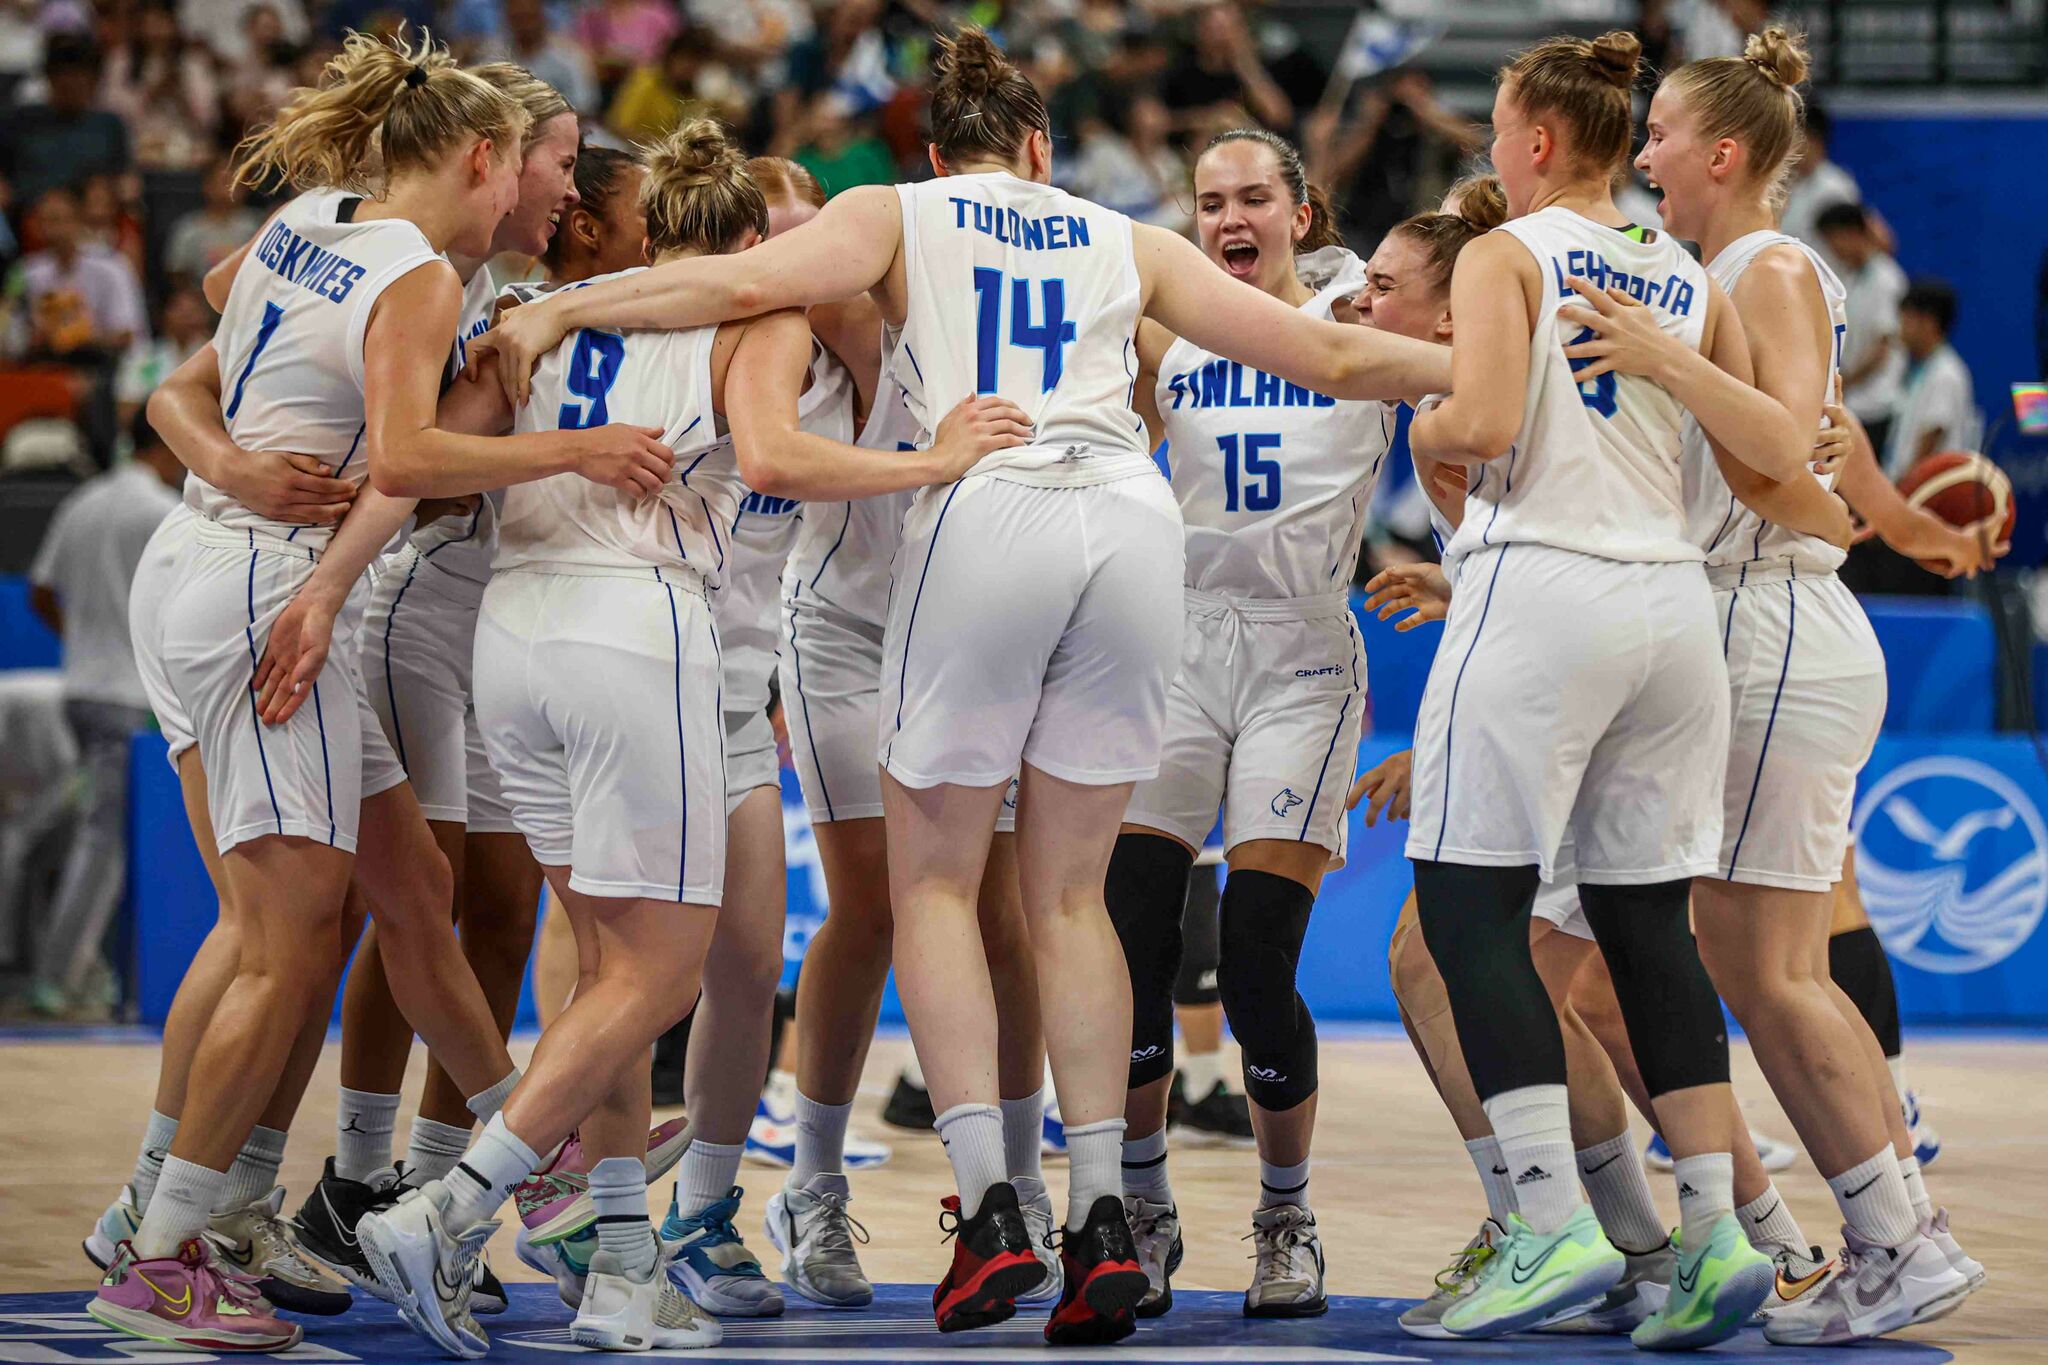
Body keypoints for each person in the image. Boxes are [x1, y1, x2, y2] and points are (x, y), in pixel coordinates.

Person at [471, 23, 1448, 1344]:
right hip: (1131, 523)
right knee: (1067, 897)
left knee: (927, 884)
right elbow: (1332, 357)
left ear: (938, 153)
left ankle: (991, 1206)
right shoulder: (1122, 235)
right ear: (1044, 150)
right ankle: (1101, 1212)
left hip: (988, 514)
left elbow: (726, 283)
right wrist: (1493, 370)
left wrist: (565, 302)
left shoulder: (893, 210)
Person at [356, 119, 1033, 1356]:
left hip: (537, 634)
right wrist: (934, 463)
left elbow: (431, 466)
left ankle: (625, 1259)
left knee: (649, 963)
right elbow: (772, 451)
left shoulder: (558, 307)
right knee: (645, 976)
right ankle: (458, 1205)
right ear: (745, 249)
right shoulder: (750, 325)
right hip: (644, 640)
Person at [90, 32, 638, 1352]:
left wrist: (225, 458)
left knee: (403, 891)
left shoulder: (315, 219)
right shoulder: (418, 274)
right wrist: (583, 442)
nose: (559, 186)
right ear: (485, 158)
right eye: (547, 161)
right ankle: (162, 1253)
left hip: (228, 561)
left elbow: (201, 353)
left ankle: (522, 1163)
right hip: (259, 584)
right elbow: (404, 455)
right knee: (287, 940)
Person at [1402, 28, 1848, 1343]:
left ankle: (1545, 1221)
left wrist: (1420, 425)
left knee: (1465, 908)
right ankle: (1712, 1237)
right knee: (1648, 929)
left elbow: (1479, 427)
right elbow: (1772, 447)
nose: (1490, 149)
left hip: (1545, 586)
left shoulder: (1505, 253)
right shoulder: (1681, 273)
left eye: (1495, 127)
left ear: (1538, 142)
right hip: (1672, 612)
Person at [1109, 126, 1381, 1321]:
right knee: (1129, 943)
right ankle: (1140, 1205)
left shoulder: (1364, 314)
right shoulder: (1162, 324)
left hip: (1301, 648)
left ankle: (1284, 1216)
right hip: (1174, 640)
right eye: (1210, 199)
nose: (1230, 215)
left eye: (1253, 196)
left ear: (1299, 210)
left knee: (1260, 952)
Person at [22, 410, 182, 1016]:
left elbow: (41, 590)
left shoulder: (83, 502)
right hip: (128, 700)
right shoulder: (162, 512)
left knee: (94, 835)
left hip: (81, 689)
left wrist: (85, 643)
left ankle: (87, 973)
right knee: (104, 844)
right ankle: (59, 979)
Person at [1817, 202, 1906, 457]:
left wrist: (1845, 383)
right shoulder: (1849, 279)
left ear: (1852, 233)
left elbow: (1883, 349)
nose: (1832, 248)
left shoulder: (1886, 279)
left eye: (1834, 239)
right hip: (1853, 400)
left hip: (1877, 404)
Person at [1885, 279, 1976, 476]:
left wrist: (1899, 496)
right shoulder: (1917, 368)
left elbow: (1929, 442)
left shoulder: (1946, 374)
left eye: (1906, 319)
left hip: (1926, 494)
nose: (1899, 326)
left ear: (1928, 323)